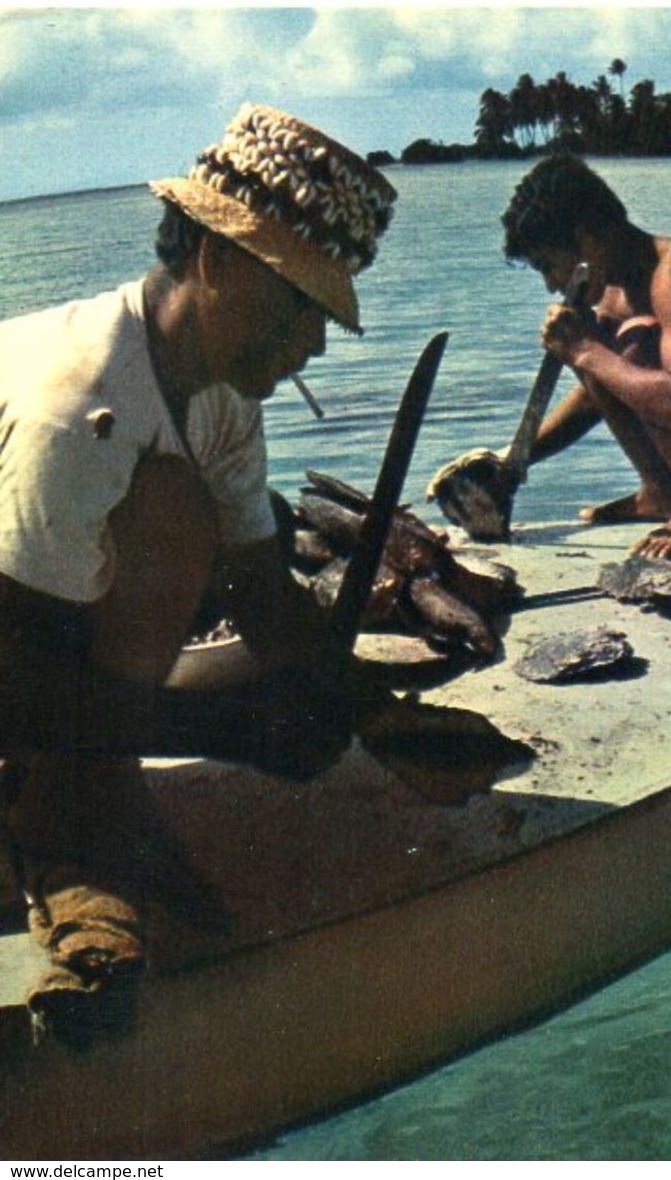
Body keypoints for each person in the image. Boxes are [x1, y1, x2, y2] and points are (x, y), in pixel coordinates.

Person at [0, 104, 397, 1040]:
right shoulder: (78, 405)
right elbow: (10, 684)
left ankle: (76, 785)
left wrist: (358, 706)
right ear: (218, 262)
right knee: (173, 514)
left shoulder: (214, 392)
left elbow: (263, 592)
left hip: (34, 637)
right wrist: (229, 733)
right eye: (303, 306)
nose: (316, 344)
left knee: (187, 513)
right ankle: (63, 822)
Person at [455, 154, 671, 560]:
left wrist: (585, 351)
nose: (551, 285)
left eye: (549, 265)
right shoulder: (611, 294)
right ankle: (662, 493)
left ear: (587, 239)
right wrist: (511, 462)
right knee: (601, 341)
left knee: (630, 343)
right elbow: (605, 390)